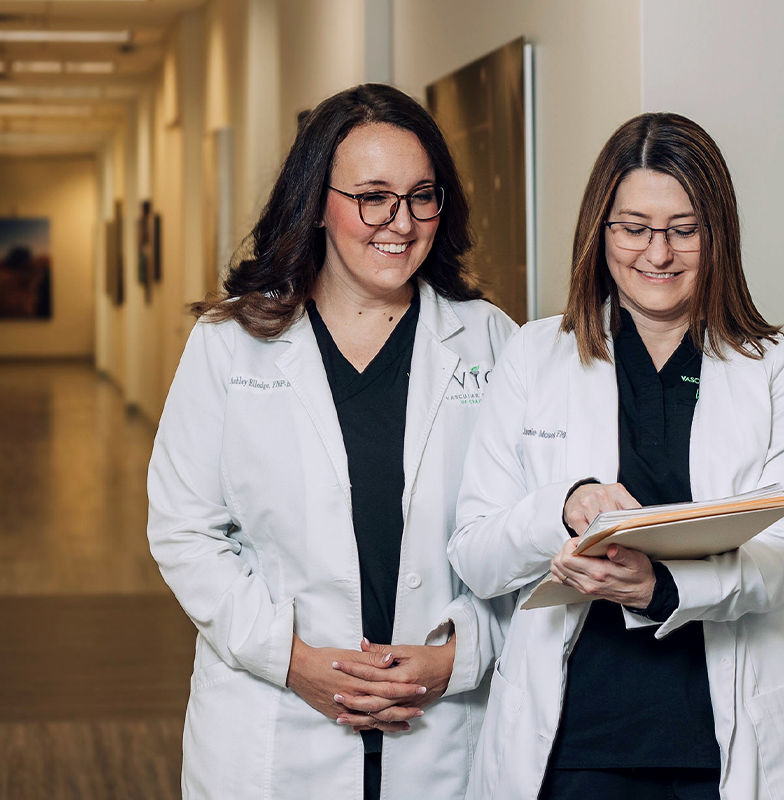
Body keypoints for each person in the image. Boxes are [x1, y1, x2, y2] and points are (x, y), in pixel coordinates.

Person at [449, 112, 784, 800]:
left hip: (719, 747)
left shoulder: (777, 370)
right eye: (633, 228)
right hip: (572, 747)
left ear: (717, 234)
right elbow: (476, 555)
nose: (658, 254)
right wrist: (563, 511)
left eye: (684, 229)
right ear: (599, 232)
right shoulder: (534, 356)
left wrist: (661, 589)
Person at [147, 84, 517, 800]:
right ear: (318, 201)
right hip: (274, 723)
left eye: (420, 196)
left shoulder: (491, 341)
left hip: (444, 730)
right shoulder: (231, 344)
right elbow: (184, 530)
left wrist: (458, 657)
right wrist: (290, 661)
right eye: (372, 196)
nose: (400, 223)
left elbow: (522, 540)